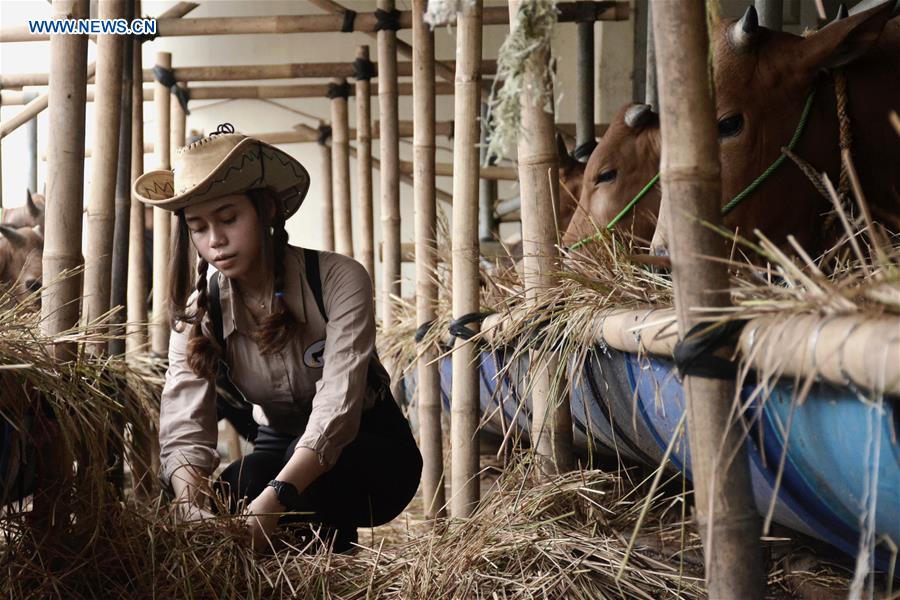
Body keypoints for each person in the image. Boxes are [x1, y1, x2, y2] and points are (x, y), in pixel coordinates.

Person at [133, 123, 422, 551]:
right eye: (198, 227)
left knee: (306, 490)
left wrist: (277, 498)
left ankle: (333, 577)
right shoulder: (200, 312)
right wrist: (191, 504)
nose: (215, 240)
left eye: (229, 218)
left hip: (368, 445)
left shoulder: (338, 280)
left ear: (267, 209)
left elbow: (337, 410)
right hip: (279, 439)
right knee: (235, 487)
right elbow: (184, 426)